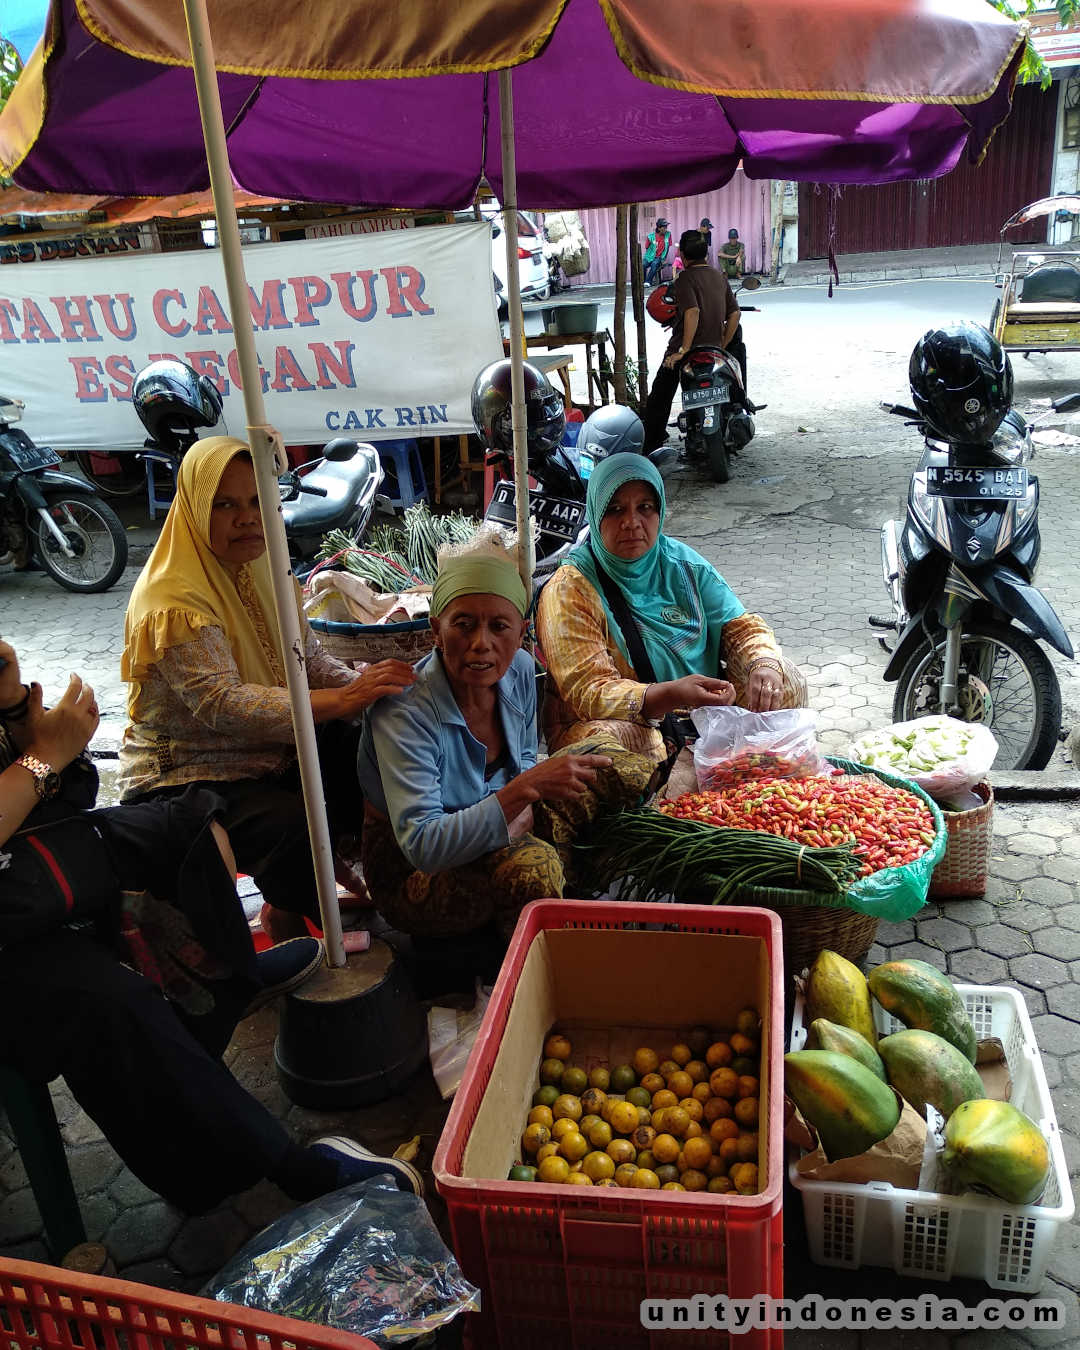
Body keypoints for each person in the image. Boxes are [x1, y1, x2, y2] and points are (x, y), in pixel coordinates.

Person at [0, 639, 421, 1215]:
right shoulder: (174, 608)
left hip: (31, 853)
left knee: (194, 827)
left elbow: (59, 793)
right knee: (116, 1004)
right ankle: (282, 1165)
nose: (253, 542)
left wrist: (15, 707)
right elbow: (225, 706)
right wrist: (42, 757)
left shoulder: (258, 584)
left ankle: (226, 984)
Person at [118, 437, 415, 943]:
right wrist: (343, 701)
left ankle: (313, 898)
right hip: (189, 771)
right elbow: (222, 703)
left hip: (265, 747)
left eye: (258, 500)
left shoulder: (266, 567)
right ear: (193, 507)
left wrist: (366, 692)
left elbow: (309, 661)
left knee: (366, 755)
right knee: (290, 819)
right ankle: (296, 913)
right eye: (225, 505)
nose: (247, 518)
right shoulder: (171, 598)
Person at [357, 533, 654, 941]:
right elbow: (424, 844)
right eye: (463, 625)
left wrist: (526, 792)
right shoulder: (403, 711)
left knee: (611, 761)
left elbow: (526, 763)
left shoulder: (519, 672)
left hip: (499, 818)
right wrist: (522, 793)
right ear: (436, 632)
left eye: (499, 626)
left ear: (521, 633)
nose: (481, 644)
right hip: (415, 871)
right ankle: (525, 957)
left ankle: (573, 877)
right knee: (535, 868)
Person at [536, 454, 807, 760]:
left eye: (645, 508)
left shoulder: (681, 564)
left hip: (700, 715)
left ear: (660, 510)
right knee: (614, 745)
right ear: (596, 514)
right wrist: (670, 694)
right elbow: (590, 692)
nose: (631, 523)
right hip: (623, 722)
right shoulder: (570, 588)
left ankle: (745, 777)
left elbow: (741, 628)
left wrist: (762, 663)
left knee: (783, 681)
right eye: (615, 510)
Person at [642, 229, 743, 453]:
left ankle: (651, 444)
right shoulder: (719, 276)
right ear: (706, 253)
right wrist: (722, 345)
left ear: (684, 257)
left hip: (687, 350)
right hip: (714, 350)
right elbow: (735, 314)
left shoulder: (685, 278)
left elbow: (692, 311)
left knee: (660, 395)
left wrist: (683, 350)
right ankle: (738, 408)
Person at [643, 218, 673, 284]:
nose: (666, 229)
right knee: (643, 265)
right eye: (664, 227)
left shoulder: (668, 235)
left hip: (659, 257)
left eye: (666, 227)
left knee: (654, 264)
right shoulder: (650, 236)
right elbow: (647, 247)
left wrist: (664, 259)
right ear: (659, 228)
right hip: (649, 256)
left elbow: (667, 248)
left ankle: (648, 282)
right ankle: (643, 281)